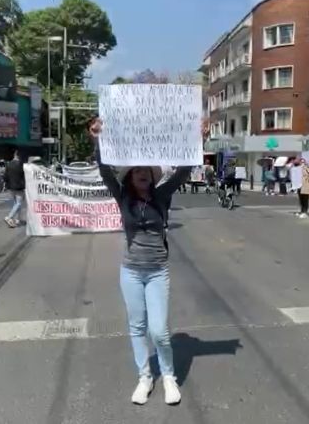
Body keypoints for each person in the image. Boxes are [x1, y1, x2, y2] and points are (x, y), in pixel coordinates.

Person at [89, 117, 205, 406]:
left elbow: (183, 171)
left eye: (146, 171)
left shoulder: (161, 196)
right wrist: (97, 140)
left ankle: (168, 377)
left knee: (160, 331)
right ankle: (144, 377)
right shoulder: (122, 197)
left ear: (153, 177)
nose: (142, 173)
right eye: (137, 170)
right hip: (130, 272)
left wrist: (197, 139)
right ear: (130, 177)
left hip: (156, 272)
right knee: (137, 327)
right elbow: (104, 171)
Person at [4, 151, 25, 228]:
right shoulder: (21, 164)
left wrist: (7, 184)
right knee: (18, 203)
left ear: (14, 155)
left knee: (16, 203)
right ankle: (9, 217)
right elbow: (24, 176)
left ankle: (17, 220)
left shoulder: (9, 164)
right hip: (19, 186)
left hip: (11, 186)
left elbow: (5, 176)